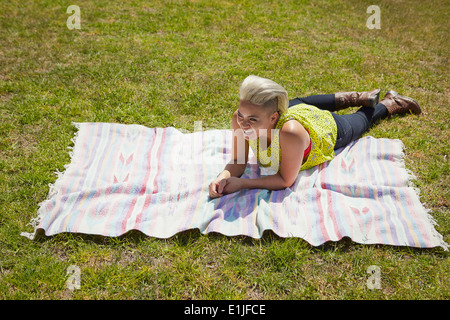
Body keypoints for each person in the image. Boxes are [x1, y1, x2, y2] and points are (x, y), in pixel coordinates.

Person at [208, 75, 421, 198]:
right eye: (242, 114)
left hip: (326, 129)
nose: (242, 124)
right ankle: (356, 97)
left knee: (361, 122)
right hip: (295, 111)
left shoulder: (289, 133)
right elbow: (237, 162)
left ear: (274, 117)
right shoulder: (240, 118)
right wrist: (223, 177)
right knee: (299, 101)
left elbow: (285, 180)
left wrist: (242, 184)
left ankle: (392, 102)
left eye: (253, 119)